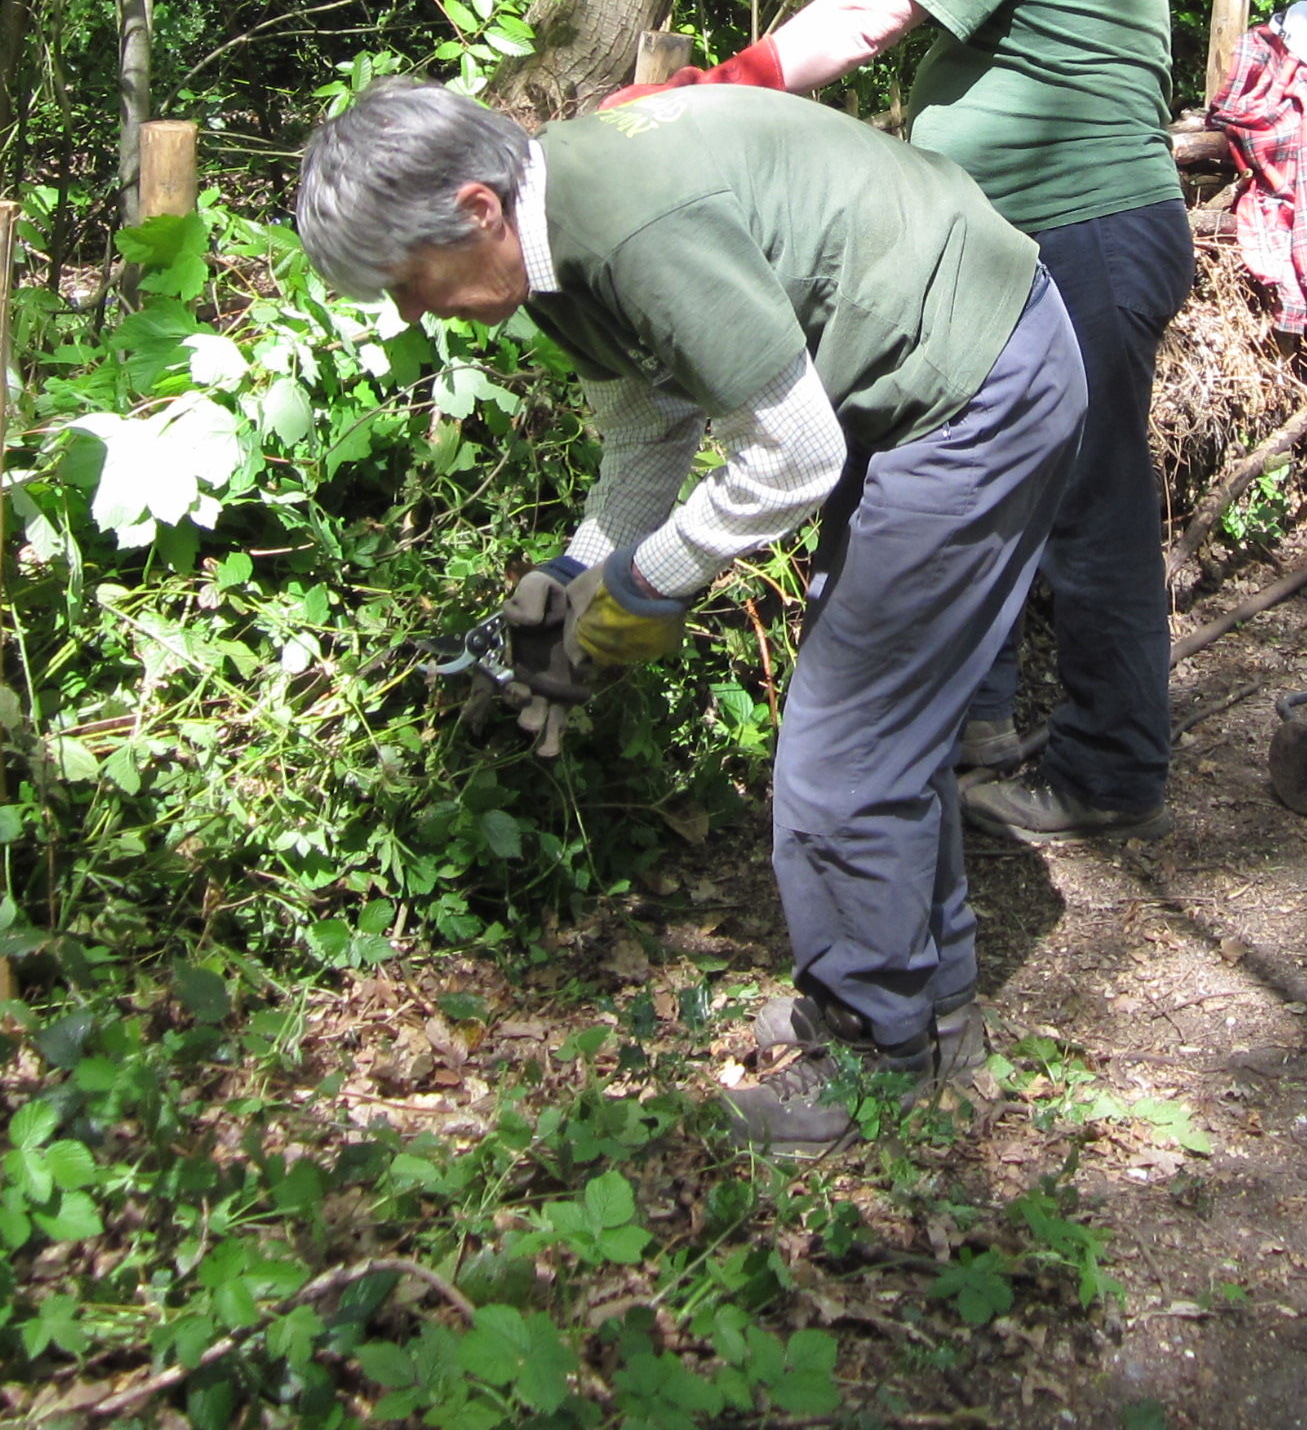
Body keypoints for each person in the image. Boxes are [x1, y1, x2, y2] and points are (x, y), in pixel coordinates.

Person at [291, 76, 1085, 1150]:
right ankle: (929, 1014)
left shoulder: (632, 228)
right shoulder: (551, 246)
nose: (411, 313)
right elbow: (647, 437)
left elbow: (795, 460)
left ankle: (874, 1058)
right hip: (915, 379)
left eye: (407, 280)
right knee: (876, 735)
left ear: (475, 210)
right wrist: (572, 576)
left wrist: (639, 586)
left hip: (977, 381)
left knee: (843, 749)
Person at [706, 0, 1191, 846]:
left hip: (1073, 233)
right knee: (982, 476)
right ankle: (971, 725)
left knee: (1087, 508)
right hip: (1063, 240)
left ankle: (1107, 773)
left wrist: (711, 94)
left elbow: (868, 18)